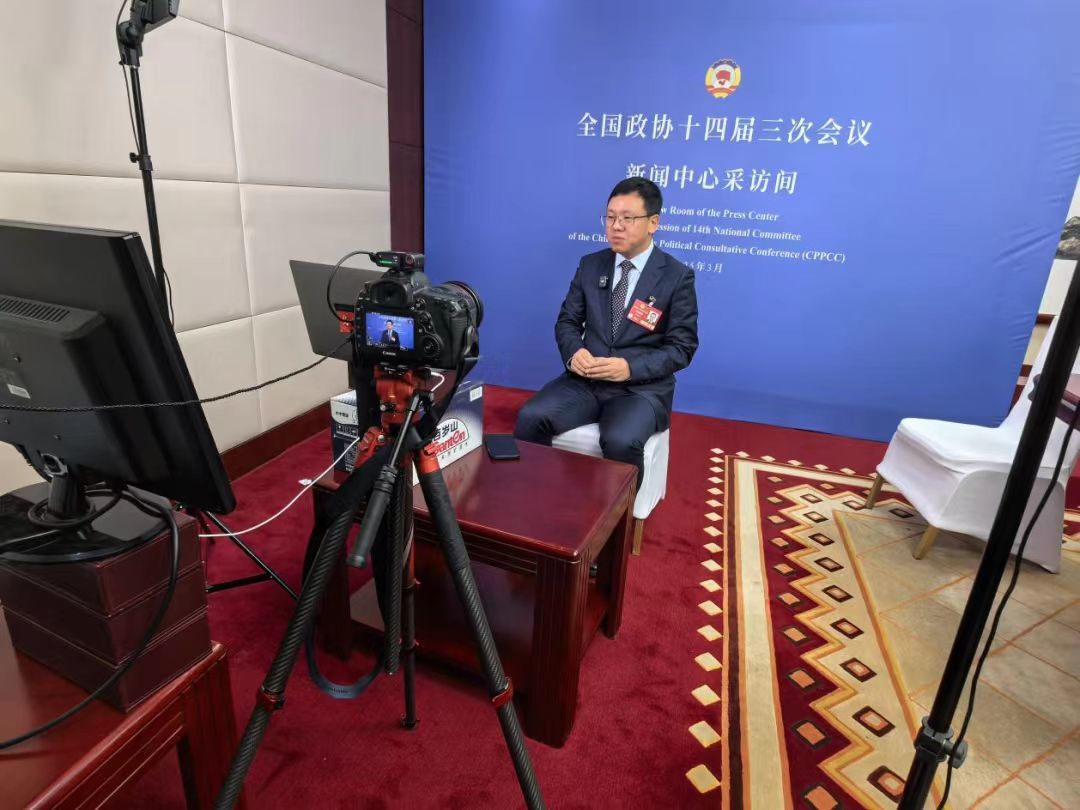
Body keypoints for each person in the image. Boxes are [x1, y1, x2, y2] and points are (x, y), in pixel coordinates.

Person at [514, 177, 699, 485]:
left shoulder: (677, 276)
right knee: (531, 417)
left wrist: (629, 368)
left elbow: (682, 347)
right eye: (610, 217)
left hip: (640, 390)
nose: (616, 226)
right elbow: (567, 321)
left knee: (620, 441)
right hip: (586, 381)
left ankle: (618, 514)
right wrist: (575, 353)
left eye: (627, 218)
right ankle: (535, 496)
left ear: (653, 223)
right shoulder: (591, 265)